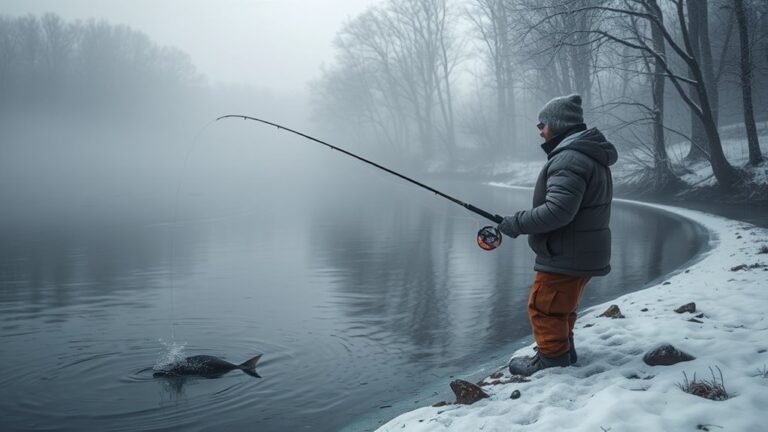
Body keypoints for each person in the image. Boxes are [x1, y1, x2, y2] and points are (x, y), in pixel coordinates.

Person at [498, 94, 618, 376]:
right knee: (562, 306)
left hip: (566, 251)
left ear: (558, 124)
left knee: (544, 306)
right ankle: (564, 350)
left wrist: (515, 224)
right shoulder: (586, 153)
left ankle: (551, 361)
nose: (539, 130)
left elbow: (557, 212)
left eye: (543, 124)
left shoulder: (570, 158)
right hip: (582, 249)